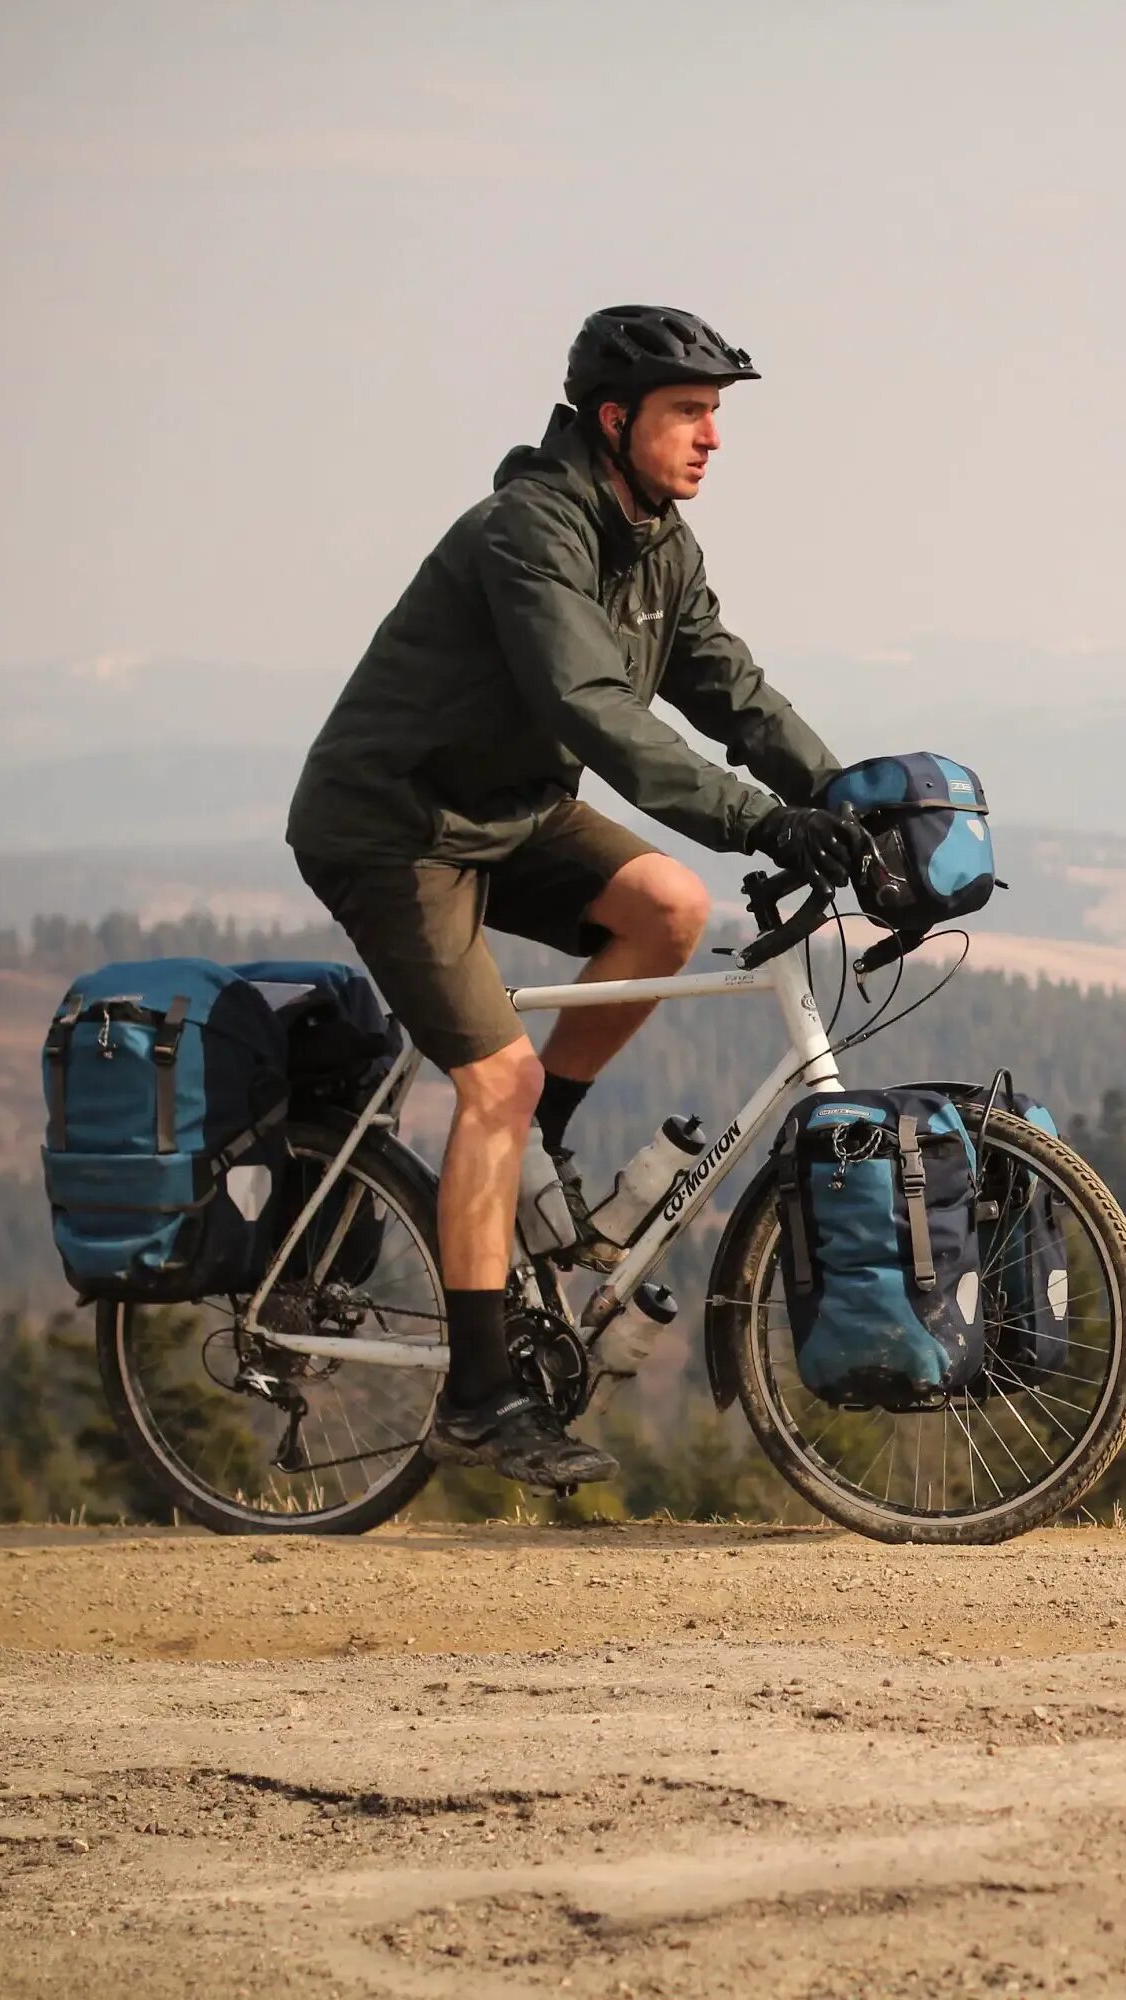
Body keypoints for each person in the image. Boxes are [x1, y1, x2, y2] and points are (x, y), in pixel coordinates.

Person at [285, 306, 865, 1490]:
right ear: (615, 420)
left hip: (508, 809)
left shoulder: (660, 542)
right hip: (393, 825)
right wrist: (762, 819)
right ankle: (480, 1396)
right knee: (491, 1078)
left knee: (667, 906)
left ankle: (531, 1154)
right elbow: (594, 708)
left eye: (716, 415)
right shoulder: (527, 532)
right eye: (689, 414)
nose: (713, 439)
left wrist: (849, 795)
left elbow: (727, 685)